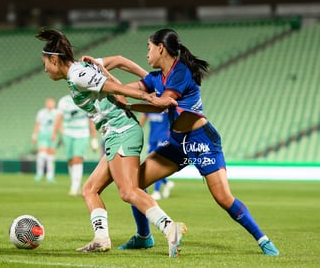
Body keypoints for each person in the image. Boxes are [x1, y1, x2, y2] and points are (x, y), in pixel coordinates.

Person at [83, 28, 279, 256]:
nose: (146, 54)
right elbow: (125, 90)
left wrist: (129, 101)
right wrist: (102, 74)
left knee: (223, 198)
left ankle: (262, 239)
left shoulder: (181, 72)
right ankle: (144, 237)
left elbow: (164, 102)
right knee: (135, 185)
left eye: (148, 48)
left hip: (201, 141)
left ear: (160, 48)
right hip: (177, 143)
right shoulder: (156, 78)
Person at [35, 27, 186, 258]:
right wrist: (147, 78)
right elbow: (119, 60)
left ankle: (169, 228)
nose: (44, 68)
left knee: (127, 191)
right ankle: (101, 239)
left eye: (45, 62)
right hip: (116, 133)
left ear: (54, 59)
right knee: (89, 190)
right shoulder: (82, 68)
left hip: (121, 131)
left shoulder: (77, 74)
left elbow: (112, 87)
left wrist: (147, 95)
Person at [52, 94, 99, 196]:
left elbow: (90, 119)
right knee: (71, 160)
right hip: (68, 133)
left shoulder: (86, 98)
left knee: (78, 158)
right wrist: (55, 133)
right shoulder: (64, 101)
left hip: (82, 133)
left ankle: (75, 187)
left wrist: (94, 138)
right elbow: (59, 118)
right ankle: (75, 184)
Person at [139, 112, 175, 200]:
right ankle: (166, 183)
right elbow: (142, 120)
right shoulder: (149, 105)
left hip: (163, 138)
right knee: (150, 163)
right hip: (152, 139)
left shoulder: (164, 105)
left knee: (157, 163)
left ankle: (156, 191)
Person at [32, 97, 58, 182]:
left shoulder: (57, 113)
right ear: (46, 104)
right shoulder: (41, 113)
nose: (50, 104)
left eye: (51, 103)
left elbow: (58, 124)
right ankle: (39, 173)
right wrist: (34, 135)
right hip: (43, 135)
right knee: (42, 154)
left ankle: (50, 175)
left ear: (54, 104)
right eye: (48, 102)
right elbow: (37, 124)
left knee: (51, 156)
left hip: (52, 136)